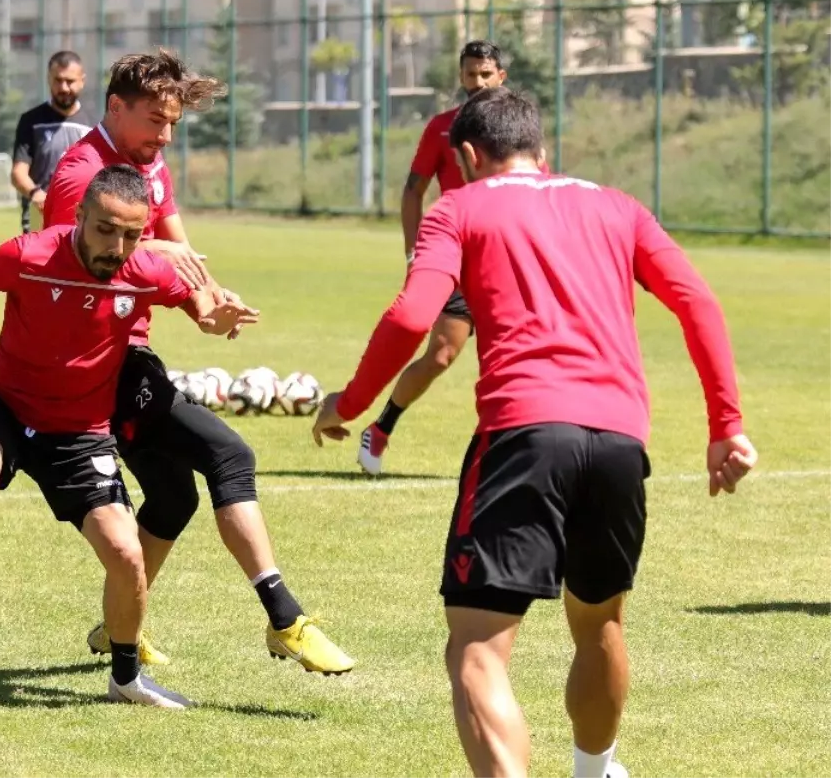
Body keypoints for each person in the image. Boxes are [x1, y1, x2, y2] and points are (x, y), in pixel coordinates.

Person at [313, 87, 757, 777]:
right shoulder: (617, 205)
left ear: (464, 156)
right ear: (542, 149)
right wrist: (725, 425)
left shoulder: (457, 206)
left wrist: (350, 402)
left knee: (475, 650)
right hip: (618, 441)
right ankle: (595, 768)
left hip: (522, 435)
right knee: (600, 623)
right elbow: (696, 299)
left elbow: (410, 316)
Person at [0, 50, 355, 677]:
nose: (164, 136)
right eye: (154, 120)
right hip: (107, 361)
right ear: (114, 109)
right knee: (229, 456)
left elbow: (179, 249)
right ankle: (284, 619)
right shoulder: (83, 178)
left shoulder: (148, 165)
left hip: (129, 348)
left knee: (171, 499)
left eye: (173, 125)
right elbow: (81, 259)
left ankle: (117, 626)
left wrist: (213, 301)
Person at [0, 165, 258, 709]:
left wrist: (219, 318)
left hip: (78, 433)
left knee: (126, 553)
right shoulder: (31, 254)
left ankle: (125, 679)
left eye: (132, 235)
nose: (116, 247)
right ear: (79, 217)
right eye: (104, 229)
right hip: (4, 405)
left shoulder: (143, 271)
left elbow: (201, 311)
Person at [358, 40, 508, 476]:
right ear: (461, 76)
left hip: (507, 264)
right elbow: (413, 191)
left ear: (501, 76)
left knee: (507, 359)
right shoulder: (444, 127)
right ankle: (381, 429)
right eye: (470, 74)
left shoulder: (518, 129)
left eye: (485, 74)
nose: (477, 82)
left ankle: (504, 448)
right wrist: (414, 254)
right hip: (458, 263)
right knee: (440, 355)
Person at [10, 51, 95, 233]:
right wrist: (36, 194)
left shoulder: (95, 124)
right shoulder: (31, 121)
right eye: (58, 80)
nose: (64, 87)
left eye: (70, 81)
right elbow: (18, 172)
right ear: (49, 79)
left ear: (82, 81)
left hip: (83, 219)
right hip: (39, 218)